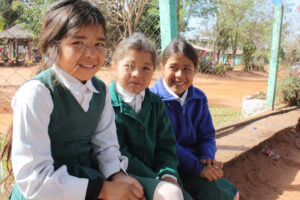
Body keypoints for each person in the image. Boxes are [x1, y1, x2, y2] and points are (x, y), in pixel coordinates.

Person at [0, 1, 145, 199]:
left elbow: (106, 146)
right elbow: (34, 180)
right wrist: (103, 190)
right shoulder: (37, 94)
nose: (92, 53)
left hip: (88, 178)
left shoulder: (100, 91)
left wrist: (117, 175)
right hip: (49, 191)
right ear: (54, 46)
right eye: (78, 43)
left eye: (99, 44)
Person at [151, 38, 239, 200]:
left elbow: (206, 134)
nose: (180, 75)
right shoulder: (153, 101)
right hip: (166, 165)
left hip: (195, 162)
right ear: (162, 68)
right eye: (173, 68)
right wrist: (198, 168)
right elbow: (166, 145)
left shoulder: (198, 98)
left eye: (187, 69)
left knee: (228, 193)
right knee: (204, 191)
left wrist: (207, 157)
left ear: (195, 70)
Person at [109, 33, 193, 200]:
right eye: (129, 66)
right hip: (124, 176)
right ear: (114, 67)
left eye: (146, 68)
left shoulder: (155, 103)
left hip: (158, 176)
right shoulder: (106, 104)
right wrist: (155, 178)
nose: (137, 74)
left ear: (154, 71)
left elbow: (166, 145)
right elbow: (118, 152)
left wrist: (168, 173)